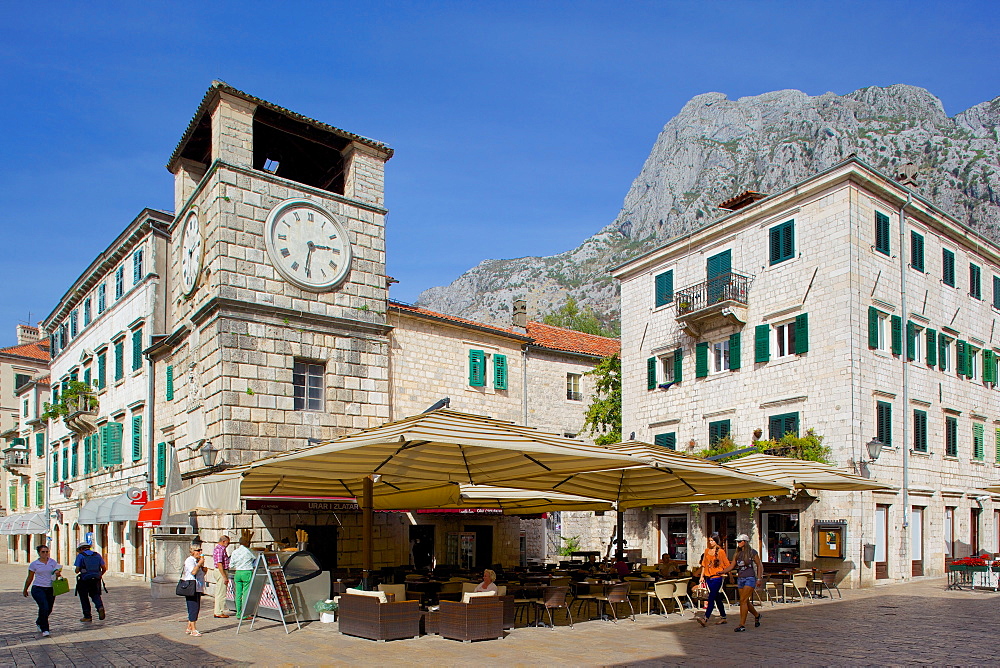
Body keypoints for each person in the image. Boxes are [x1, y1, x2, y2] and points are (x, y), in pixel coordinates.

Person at [724, 534, 763, 633]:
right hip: (740, 578)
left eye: (739, 541)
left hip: (750, 578)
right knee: (745, 601)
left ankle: (742, 624)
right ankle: (757, 615)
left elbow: (759, 565)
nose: (738, 543)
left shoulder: (752, 552)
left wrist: (759, 578)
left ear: (745, 542)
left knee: (743, 600)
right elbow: (732, 565)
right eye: (737, 541)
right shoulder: (737, 553)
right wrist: (721, 571)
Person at [23, 544, 62, 637]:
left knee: (49, 608)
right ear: (39, 553)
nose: (45, 554)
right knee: (43, 606)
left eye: (47, 552)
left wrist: (58, 573)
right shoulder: (34, 564)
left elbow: (57, 573)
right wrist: (25, 589)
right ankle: (45, 629)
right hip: (38, 588)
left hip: (50, 588)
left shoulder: (52, 562)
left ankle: (39, 621)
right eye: (43, 552)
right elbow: (30, 577)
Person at [695, 533, 731, 627]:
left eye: (712, 540)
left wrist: (729, 575)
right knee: (717, 598)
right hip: (708, 577)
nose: (710, 542)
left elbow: (727, 564)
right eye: (709, 540)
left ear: (716, 541)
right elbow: (704, 565)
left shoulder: (721, 552)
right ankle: (723, 617)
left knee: (711, 597)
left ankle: (705, 618)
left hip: (717, 577)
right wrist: (701, 576)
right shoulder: (707, 551)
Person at [74, 541, 107, 622]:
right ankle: (100, 607)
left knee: (84, 597)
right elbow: (104, 568)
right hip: (95, 579)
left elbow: (77, 570)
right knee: (95, 595)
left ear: (81, 549)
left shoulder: (81, 556)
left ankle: (87, 616)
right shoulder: (97, 555)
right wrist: (99, 575)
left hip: (84, 579)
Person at [180, 542, 208, 636]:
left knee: (196, 607)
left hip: (197, 587)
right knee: (193, 607)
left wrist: (203, 568)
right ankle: (193, 629)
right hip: (191, 587)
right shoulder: (190, 560)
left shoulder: (196, 560)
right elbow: (193, 572)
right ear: (193, 551)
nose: (200, 552)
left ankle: (189, 627)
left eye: (201, 550)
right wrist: (199, 564)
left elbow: (200, 574)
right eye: (198, 550)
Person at [229, 534, 256, 620]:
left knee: (238, 594)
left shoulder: (234, 552)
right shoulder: (249, 551)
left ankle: (238, 613)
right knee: (246, 593)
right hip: (246, 572)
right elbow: (256, 558)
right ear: (247, 543)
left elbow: (231, 564)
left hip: (238, 572)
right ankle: (245, 613)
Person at [212, 535, 231, 618]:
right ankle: (219, 612)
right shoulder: (220, 550)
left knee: (219, 592)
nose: (228, 544)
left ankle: (218, 610)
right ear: (223, 541)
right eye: (228, 542)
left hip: (220, 571)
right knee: (221, 593)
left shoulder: (218, 548)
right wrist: (224, 576)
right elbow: (219, 564)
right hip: (221, 571)